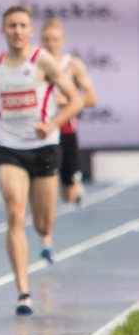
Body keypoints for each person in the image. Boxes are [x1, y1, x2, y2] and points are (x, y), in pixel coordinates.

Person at [0, 5, 83, 316]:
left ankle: (44, 234)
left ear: (30, 31)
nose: (17, 31)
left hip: (44, 147)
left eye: (22, 25)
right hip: (10, 148)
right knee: (15, 213)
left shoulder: (42, 61)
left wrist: (52, 124)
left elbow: (76, 101)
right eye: (12, 25)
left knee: (43, 222)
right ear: (3, 30)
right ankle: (23, 291)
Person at [40, 18, 97, 205]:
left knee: (68, 195)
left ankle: (74, 186)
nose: (51, 44)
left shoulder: (72, 65)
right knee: (42, 185)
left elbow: (91, 98)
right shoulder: (35, 65)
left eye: (55, 39)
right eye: (47, 39)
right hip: (41, 132)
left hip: (66, 132)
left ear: (62, 41)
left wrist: (67, 100)